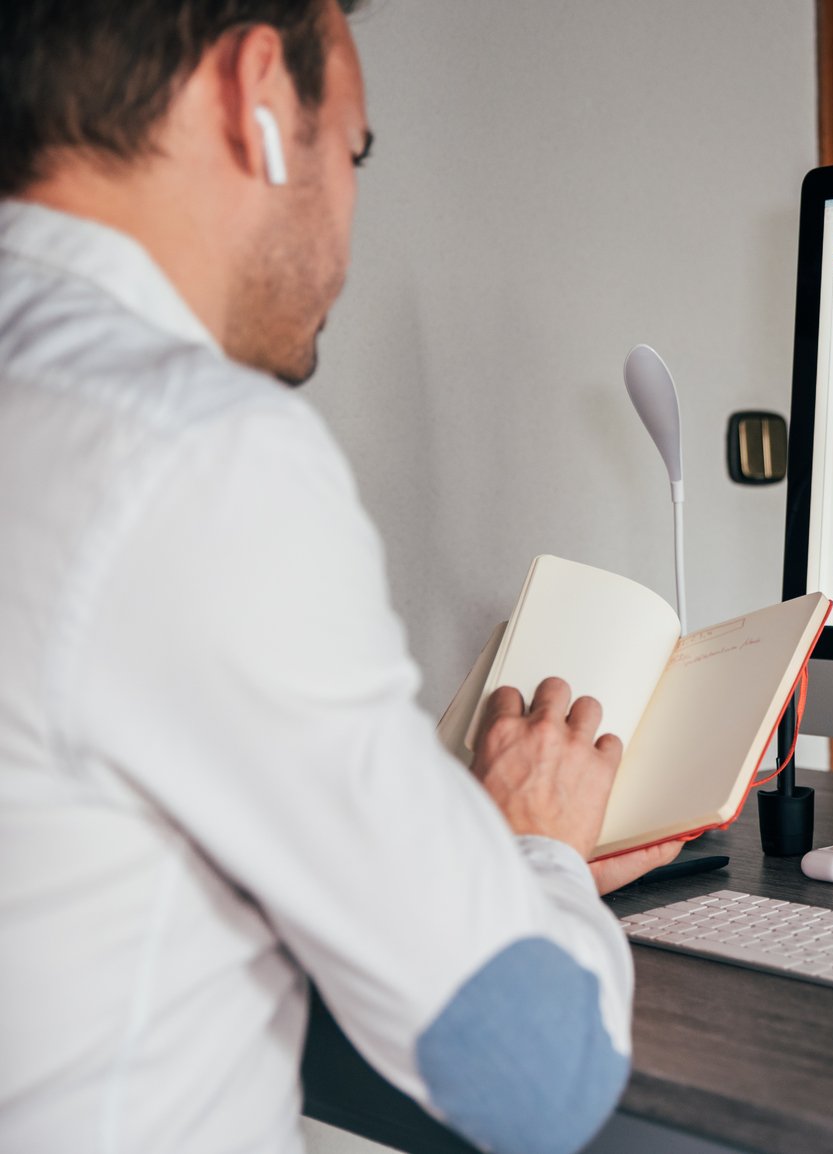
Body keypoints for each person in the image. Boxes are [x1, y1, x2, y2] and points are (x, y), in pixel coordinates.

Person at [0, 3, 680, 1152]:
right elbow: (536, 1072)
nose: (352, 208)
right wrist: (536, 842)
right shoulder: (190, 449)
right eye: (354, 149)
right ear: (259, 93)